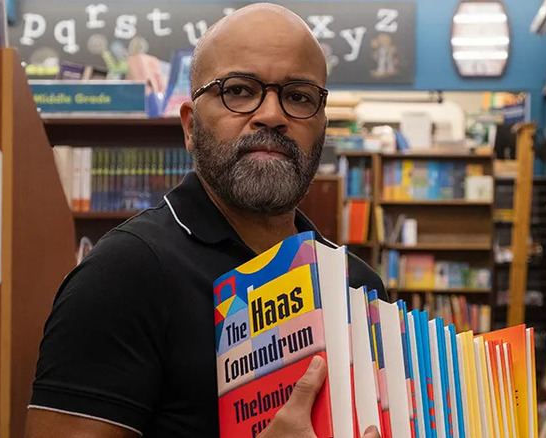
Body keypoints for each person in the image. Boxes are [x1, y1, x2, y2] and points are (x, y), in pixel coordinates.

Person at [25, 3, 385, 437]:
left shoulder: (355, 285)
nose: (272, 115)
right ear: (191, 126)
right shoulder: (123, 274)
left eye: (298, 96)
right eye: (238, 90)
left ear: (322, 128)